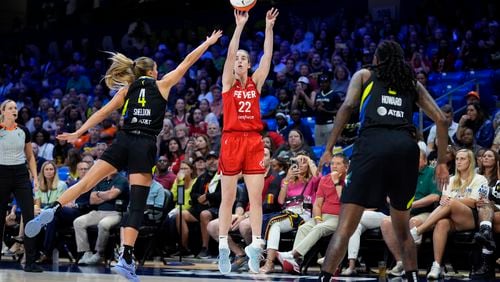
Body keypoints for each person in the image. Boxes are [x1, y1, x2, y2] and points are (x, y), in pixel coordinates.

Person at [25, 30, 222, 281]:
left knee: (85, 183)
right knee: (137, 203)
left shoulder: (126, 90)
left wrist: (78, 131)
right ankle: (126, 257)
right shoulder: (161, 85)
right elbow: (187, 61)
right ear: (151, 72)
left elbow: (102, 114)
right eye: (157, 69)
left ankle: (53, 207)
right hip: (144, 144)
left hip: (123, 140)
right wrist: (208, 42)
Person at [317, 40, 450, 282]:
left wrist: (328, 147)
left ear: (377, 58)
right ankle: (412, 278)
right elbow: (441, 120)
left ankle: (324, 278)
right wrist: (441, 163)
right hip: (405, 150)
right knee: (402, 228)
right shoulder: (412, 84)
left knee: (345, 227)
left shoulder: (364, 75)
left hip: (372, 146)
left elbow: (347, 107)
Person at [217, 8, 279, 275]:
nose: (240, 60)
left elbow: (268, 57)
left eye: (244, 58)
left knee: (256, 197)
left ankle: (256, 246)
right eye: (238, 58)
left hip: (253, 141)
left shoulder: (256, 83)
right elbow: (230, 53)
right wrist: (239, 26)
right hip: (231, 140)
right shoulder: (228, 83)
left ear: (249, 65)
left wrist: (268, 28)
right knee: (228, 198)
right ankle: (222, 248)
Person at [0, 100, 43, 272]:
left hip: (20, 175)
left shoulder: (23, 130)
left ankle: (30, 262)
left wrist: (35, 178)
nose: (14, 110)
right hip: (1, 173)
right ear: (2, 111)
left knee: (30, 215)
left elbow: (30, 157)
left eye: (15, 108)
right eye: (10, 108)